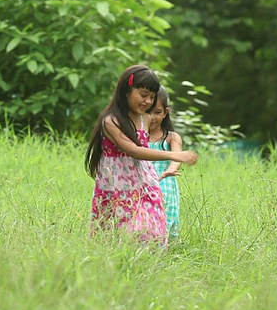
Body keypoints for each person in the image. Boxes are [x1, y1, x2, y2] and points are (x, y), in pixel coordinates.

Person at [84, 65, 198, 246]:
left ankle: (148, 264)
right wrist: (176, 156)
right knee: (113, 233)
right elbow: (134, 150)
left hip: (143, 181)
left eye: (152, 97)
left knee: (153, 224)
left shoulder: (145, 118)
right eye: (143, 95)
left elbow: (158, 135)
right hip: (116, 184)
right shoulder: (111, 121)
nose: (148, 101)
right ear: (126, 91)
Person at [147, 86, 188, 239]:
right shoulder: (137, 138)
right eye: (148, 112)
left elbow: (176, 156)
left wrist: (170, 170)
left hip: (165, 185)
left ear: (165, 113)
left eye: (157, 112)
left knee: (165, 222)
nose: (152, 117)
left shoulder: (171, 137)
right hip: (143, 184)